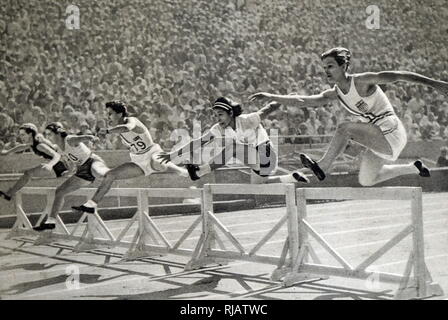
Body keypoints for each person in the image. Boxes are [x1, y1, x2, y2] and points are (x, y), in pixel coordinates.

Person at [250, 47, 448, 186]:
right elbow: (304, 101)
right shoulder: (334, 93)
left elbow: (398, 75)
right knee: (367, 179)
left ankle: (324, 166)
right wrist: (271, 96)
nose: (326, 71)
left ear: (343, 66)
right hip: (379, 135)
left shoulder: (362, 81)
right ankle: (412, 167)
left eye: (330, 66)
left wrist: (435, 84)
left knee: (345, 128)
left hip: (391, 130)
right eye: (324, 67)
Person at [72, 101, 189, 214]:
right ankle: (91, 204)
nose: (108, 117)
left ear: (119, 114)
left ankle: (183, 171)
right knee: (110, 175)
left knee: (158, 161)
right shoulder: (118, 129)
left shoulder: (132, 121)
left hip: (152, 152)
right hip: (138, 161)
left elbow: (128, 128)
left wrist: (107, 131)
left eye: (110, 114)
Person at [157, 97, 309, 184]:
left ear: (230, 113)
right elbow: (197, 142)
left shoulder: (247, 120)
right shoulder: (218, 128)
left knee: (234, 148)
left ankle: (200, 172)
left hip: (267, 155)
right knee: (258, 185)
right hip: (257, 161)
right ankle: (291, 177)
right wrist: (172, 155)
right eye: (216, 115)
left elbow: (269, 108)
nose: (218, 119)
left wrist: (288, 98)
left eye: (221, 114)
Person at [33, 122, 110, 231]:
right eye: (46, 135)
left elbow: (86, 137)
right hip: (81, 171)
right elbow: (73, 162)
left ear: (58, 133)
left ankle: (116, 173)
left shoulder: (69, 139)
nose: (48, 137)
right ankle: (51, 221)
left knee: (101, 174)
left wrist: (93, 138)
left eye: (49, 134)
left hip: (91, 161)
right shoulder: (59, 149)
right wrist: (69, 172)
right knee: (59, 191)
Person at [0, 123, 68, 202]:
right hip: (56, 165)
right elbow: (22, 147)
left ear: (30, 134)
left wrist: (50, 164)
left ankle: (9, 194)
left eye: (23, 135)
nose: (20, 137)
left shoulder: (39, 145)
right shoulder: (32, 143)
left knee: (28, 173)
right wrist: (7, 152)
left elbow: (56, 156)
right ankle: (10, 193)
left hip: (60, 166)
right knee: (28, 173)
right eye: (20, 135)